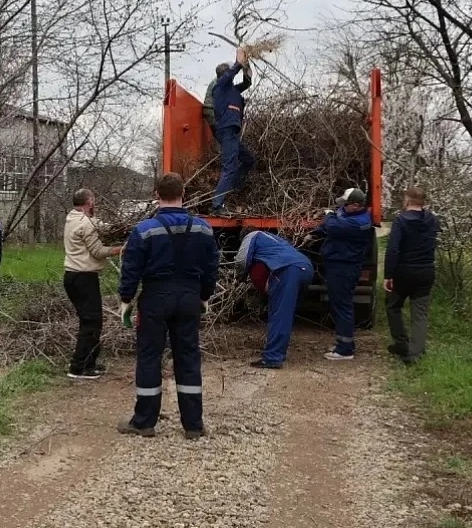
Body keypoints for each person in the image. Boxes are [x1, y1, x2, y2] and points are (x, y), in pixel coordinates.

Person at [116, 173, 219, 439]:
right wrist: (204, 296)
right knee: (188, 357)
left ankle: (144, 422)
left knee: (150, 357)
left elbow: (131, 269)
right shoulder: (203, 228)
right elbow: (211, 268)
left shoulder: (144, 229)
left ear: (157, 196)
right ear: (183, 194)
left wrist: (126, 300)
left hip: (155, 299)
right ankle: (193, 425)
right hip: (188, 298)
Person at [63, 188, 124, 379]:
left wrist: (119, 227)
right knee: (91, 322)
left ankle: (90, 363)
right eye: (93, 200)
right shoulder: (85, 224)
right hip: (83, 277)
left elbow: (100, 225)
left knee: (91, 321)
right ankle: (78, 367)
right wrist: (121, 249)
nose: (95, 203)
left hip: (73, 276)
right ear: (89, 202)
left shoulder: (73, 218)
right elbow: (97, 251)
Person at [312, 188, 374, 360]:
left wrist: (329, 214)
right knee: (340, 305)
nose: (341, 207)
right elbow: (331, 225)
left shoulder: (359, 223)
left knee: (342, 306)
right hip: (339, 265)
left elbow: (332, 225)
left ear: (355, 205)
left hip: (344, 268)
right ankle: (344, 343)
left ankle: (345, 349)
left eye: (345, 204)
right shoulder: (351, 216)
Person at [237, 230, 314, 369]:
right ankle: (277, 349)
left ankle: (273, 358)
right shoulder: (274, 240)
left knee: (279, 314)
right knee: (286, 313)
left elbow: (241, 259)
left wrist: (239, 277)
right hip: (305, 267)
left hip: (288, 270)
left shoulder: (252, 235)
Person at [384, 186, 440, 364]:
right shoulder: (433, 220)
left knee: (393, 306)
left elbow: (393, 249)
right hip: (426, 271)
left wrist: (388, 274)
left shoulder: (401, 221)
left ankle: (401, 343)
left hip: (403, 272)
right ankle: (415, 353)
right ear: (424, 202)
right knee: (420, 313)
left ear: (407, 200)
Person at [210, 48, 258, 215]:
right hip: (226, 130)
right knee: (229, 167)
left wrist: (246, 65)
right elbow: (229, 75)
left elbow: (247, 82)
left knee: (248, 160)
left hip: (232, 132)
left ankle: (234, 187)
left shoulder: (233, 90)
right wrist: (238, 61)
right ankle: (217, 206)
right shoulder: (220, 87)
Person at [202, 60, 252, 131]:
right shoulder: (217, 85)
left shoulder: (226, 86)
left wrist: (246, 67)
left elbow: (246, 84)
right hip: (212, 113)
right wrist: (240, 63)